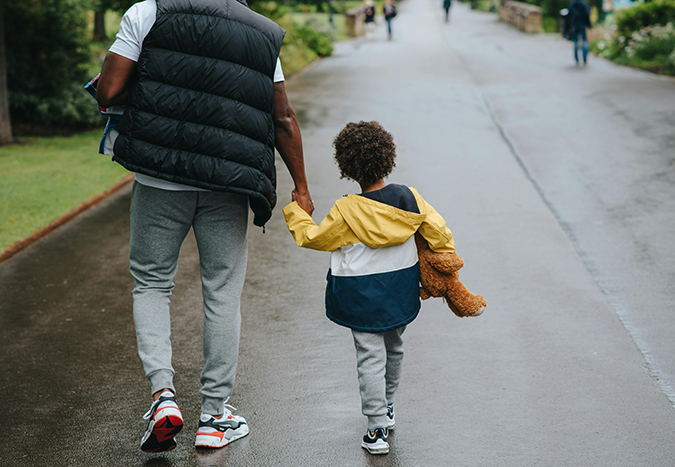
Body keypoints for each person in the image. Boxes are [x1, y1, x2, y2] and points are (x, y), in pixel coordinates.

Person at [95, 0, 314, 453]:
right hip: (227, 183)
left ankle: (163, 397)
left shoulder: (148, 12)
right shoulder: (262, 32)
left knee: (152, 283)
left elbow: (109, 91)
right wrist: (302, 187)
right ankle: (215, 416)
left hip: (159, 177)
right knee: (222, 289)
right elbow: (282, 117)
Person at [283, 121, 479, 455]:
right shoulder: (410, 198)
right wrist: (443, 259)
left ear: (347, 168)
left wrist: (297, 214)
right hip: (400, 289)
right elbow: (439, 232)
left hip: (360, 296)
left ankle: (376, 429)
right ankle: (387, 406)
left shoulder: (347, 210)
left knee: (369, 358)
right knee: (395, 347)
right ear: (388, 158)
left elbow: (314, 239)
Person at [568, 0, 591, 65]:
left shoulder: (572, 4)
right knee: (584, 40)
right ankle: (584, 58)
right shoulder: (583, 4)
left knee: (575, 41)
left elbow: (569, 15)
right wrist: (588, 24)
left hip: (575, 24)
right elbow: (586, 14)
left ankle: (576, 59)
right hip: (582, 24)